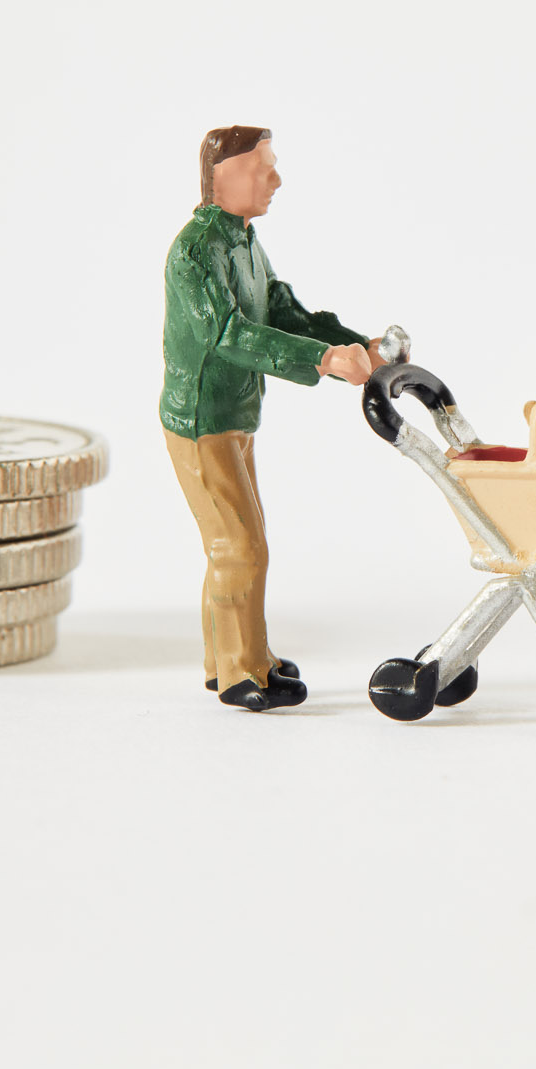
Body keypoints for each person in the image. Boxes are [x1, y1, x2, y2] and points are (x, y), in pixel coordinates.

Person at [159, 125, 383, 711]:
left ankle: (235, 659)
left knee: (235, 545)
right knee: (240, 547)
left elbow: (280, 308)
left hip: (236, 415)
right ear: (226, 175)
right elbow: (230, 335)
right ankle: (240, 673)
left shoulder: (243, 241)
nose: (276, 180)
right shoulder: (194, 250)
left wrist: (354, 343)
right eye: (264, 169)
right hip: (202, 419)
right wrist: (323, 360)